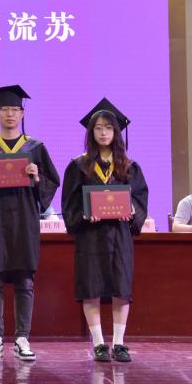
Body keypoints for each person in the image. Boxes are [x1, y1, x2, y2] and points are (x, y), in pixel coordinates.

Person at [0, 85, 59, 363]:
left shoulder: (35, 148)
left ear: (22, 113)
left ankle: (22, 338)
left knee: (25, 279)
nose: (10, 114)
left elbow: (51, 183)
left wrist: (37, 178)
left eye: (15, 109)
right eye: (4, 109)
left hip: (25, 221)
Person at [61, 98, 148, 363]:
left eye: (108, 128)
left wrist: (132, 210)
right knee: (92, 287)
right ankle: (99, 343)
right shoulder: (79, 166)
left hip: (119, 236)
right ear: (91, 132)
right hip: (91, 236)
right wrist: (83, 214)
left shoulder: (129, 167)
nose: (103, 132)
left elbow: (140, 199)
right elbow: (69, 204)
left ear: (116, 132)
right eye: (98, 128)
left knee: (121, 287)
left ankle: (119, 343)